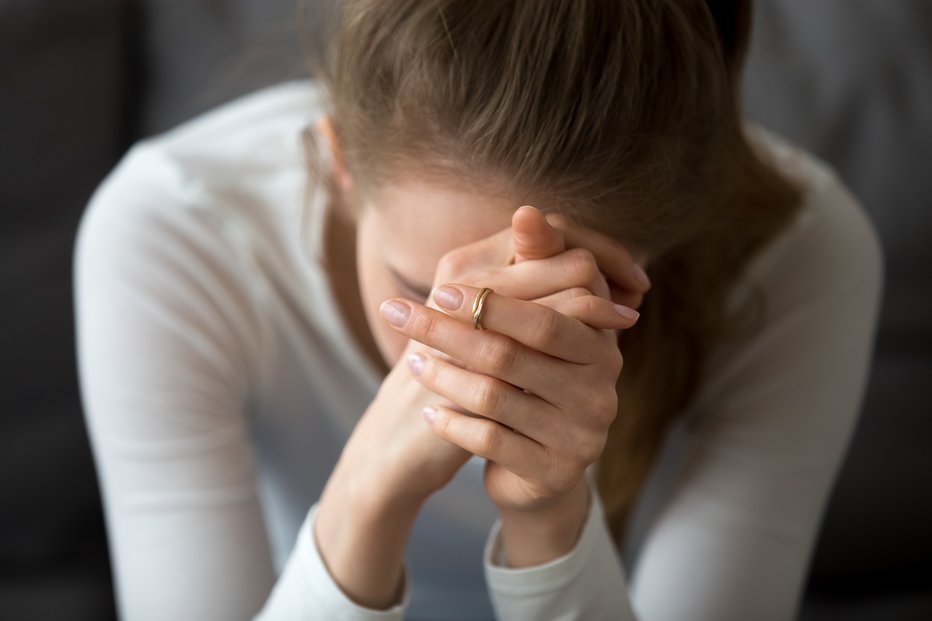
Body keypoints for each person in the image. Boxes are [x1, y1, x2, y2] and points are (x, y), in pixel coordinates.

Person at [74, 1, 883, 619]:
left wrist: (551, 515)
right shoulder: (173, 232)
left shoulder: (801, 254)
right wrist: (362, 501)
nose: (482, 358)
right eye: (430, 295)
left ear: (659, 256)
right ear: (339, 165)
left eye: (567, 303)